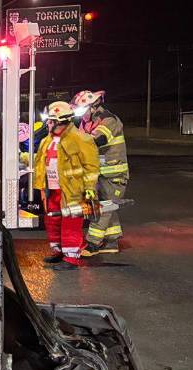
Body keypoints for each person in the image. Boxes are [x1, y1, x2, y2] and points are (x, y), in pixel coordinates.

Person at [33, 101, 100, 270]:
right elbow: (39, 161)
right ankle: (60, 252)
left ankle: (71, 259)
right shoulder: (48, 140)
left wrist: (90, 189)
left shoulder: (81, 139)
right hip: (52, 190)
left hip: (72, 191)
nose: (47, 124)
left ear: (60, 122)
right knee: (53, 220)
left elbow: (91, 167)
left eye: (51, 121)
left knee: (71, 223)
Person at [72, 90, 128, 255]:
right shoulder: (85, 122)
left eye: (82, 110)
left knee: (103, 208)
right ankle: (111, 241)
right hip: (99, 173)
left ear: (93, 107)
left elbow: (98, 140)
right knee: (107, 206)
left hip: (114, 173)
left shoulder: (109, 120)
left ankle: (93, 243)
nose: (81, 115)